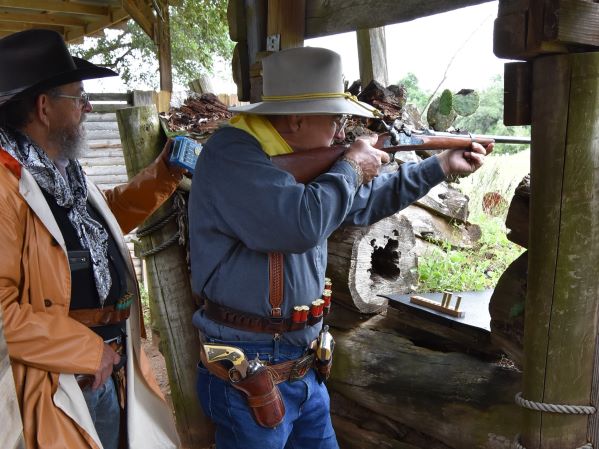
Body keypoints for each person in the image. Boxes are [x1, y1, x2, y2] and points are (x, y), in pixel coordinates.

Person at [188, 46, 492, 449]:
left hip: (303, 361)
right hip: (248, 365)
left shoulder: (295, 157)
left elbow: (363, 202)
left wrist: (441, 165)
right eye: (335, 119)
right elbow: (297, 226)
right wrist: (349, 168)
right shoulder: (232, 154)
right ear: (296, 119)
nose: (341, 131)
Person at [0, 29, 181, 449]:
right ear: (44, 107)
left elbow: (100, 223)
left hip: (99, 367)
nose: (88, 107)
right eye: (79, 97)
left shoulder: (59, 172)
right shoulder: (7, 185)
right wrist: (85, 351)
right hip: (59, 380)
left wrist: (165, 173)